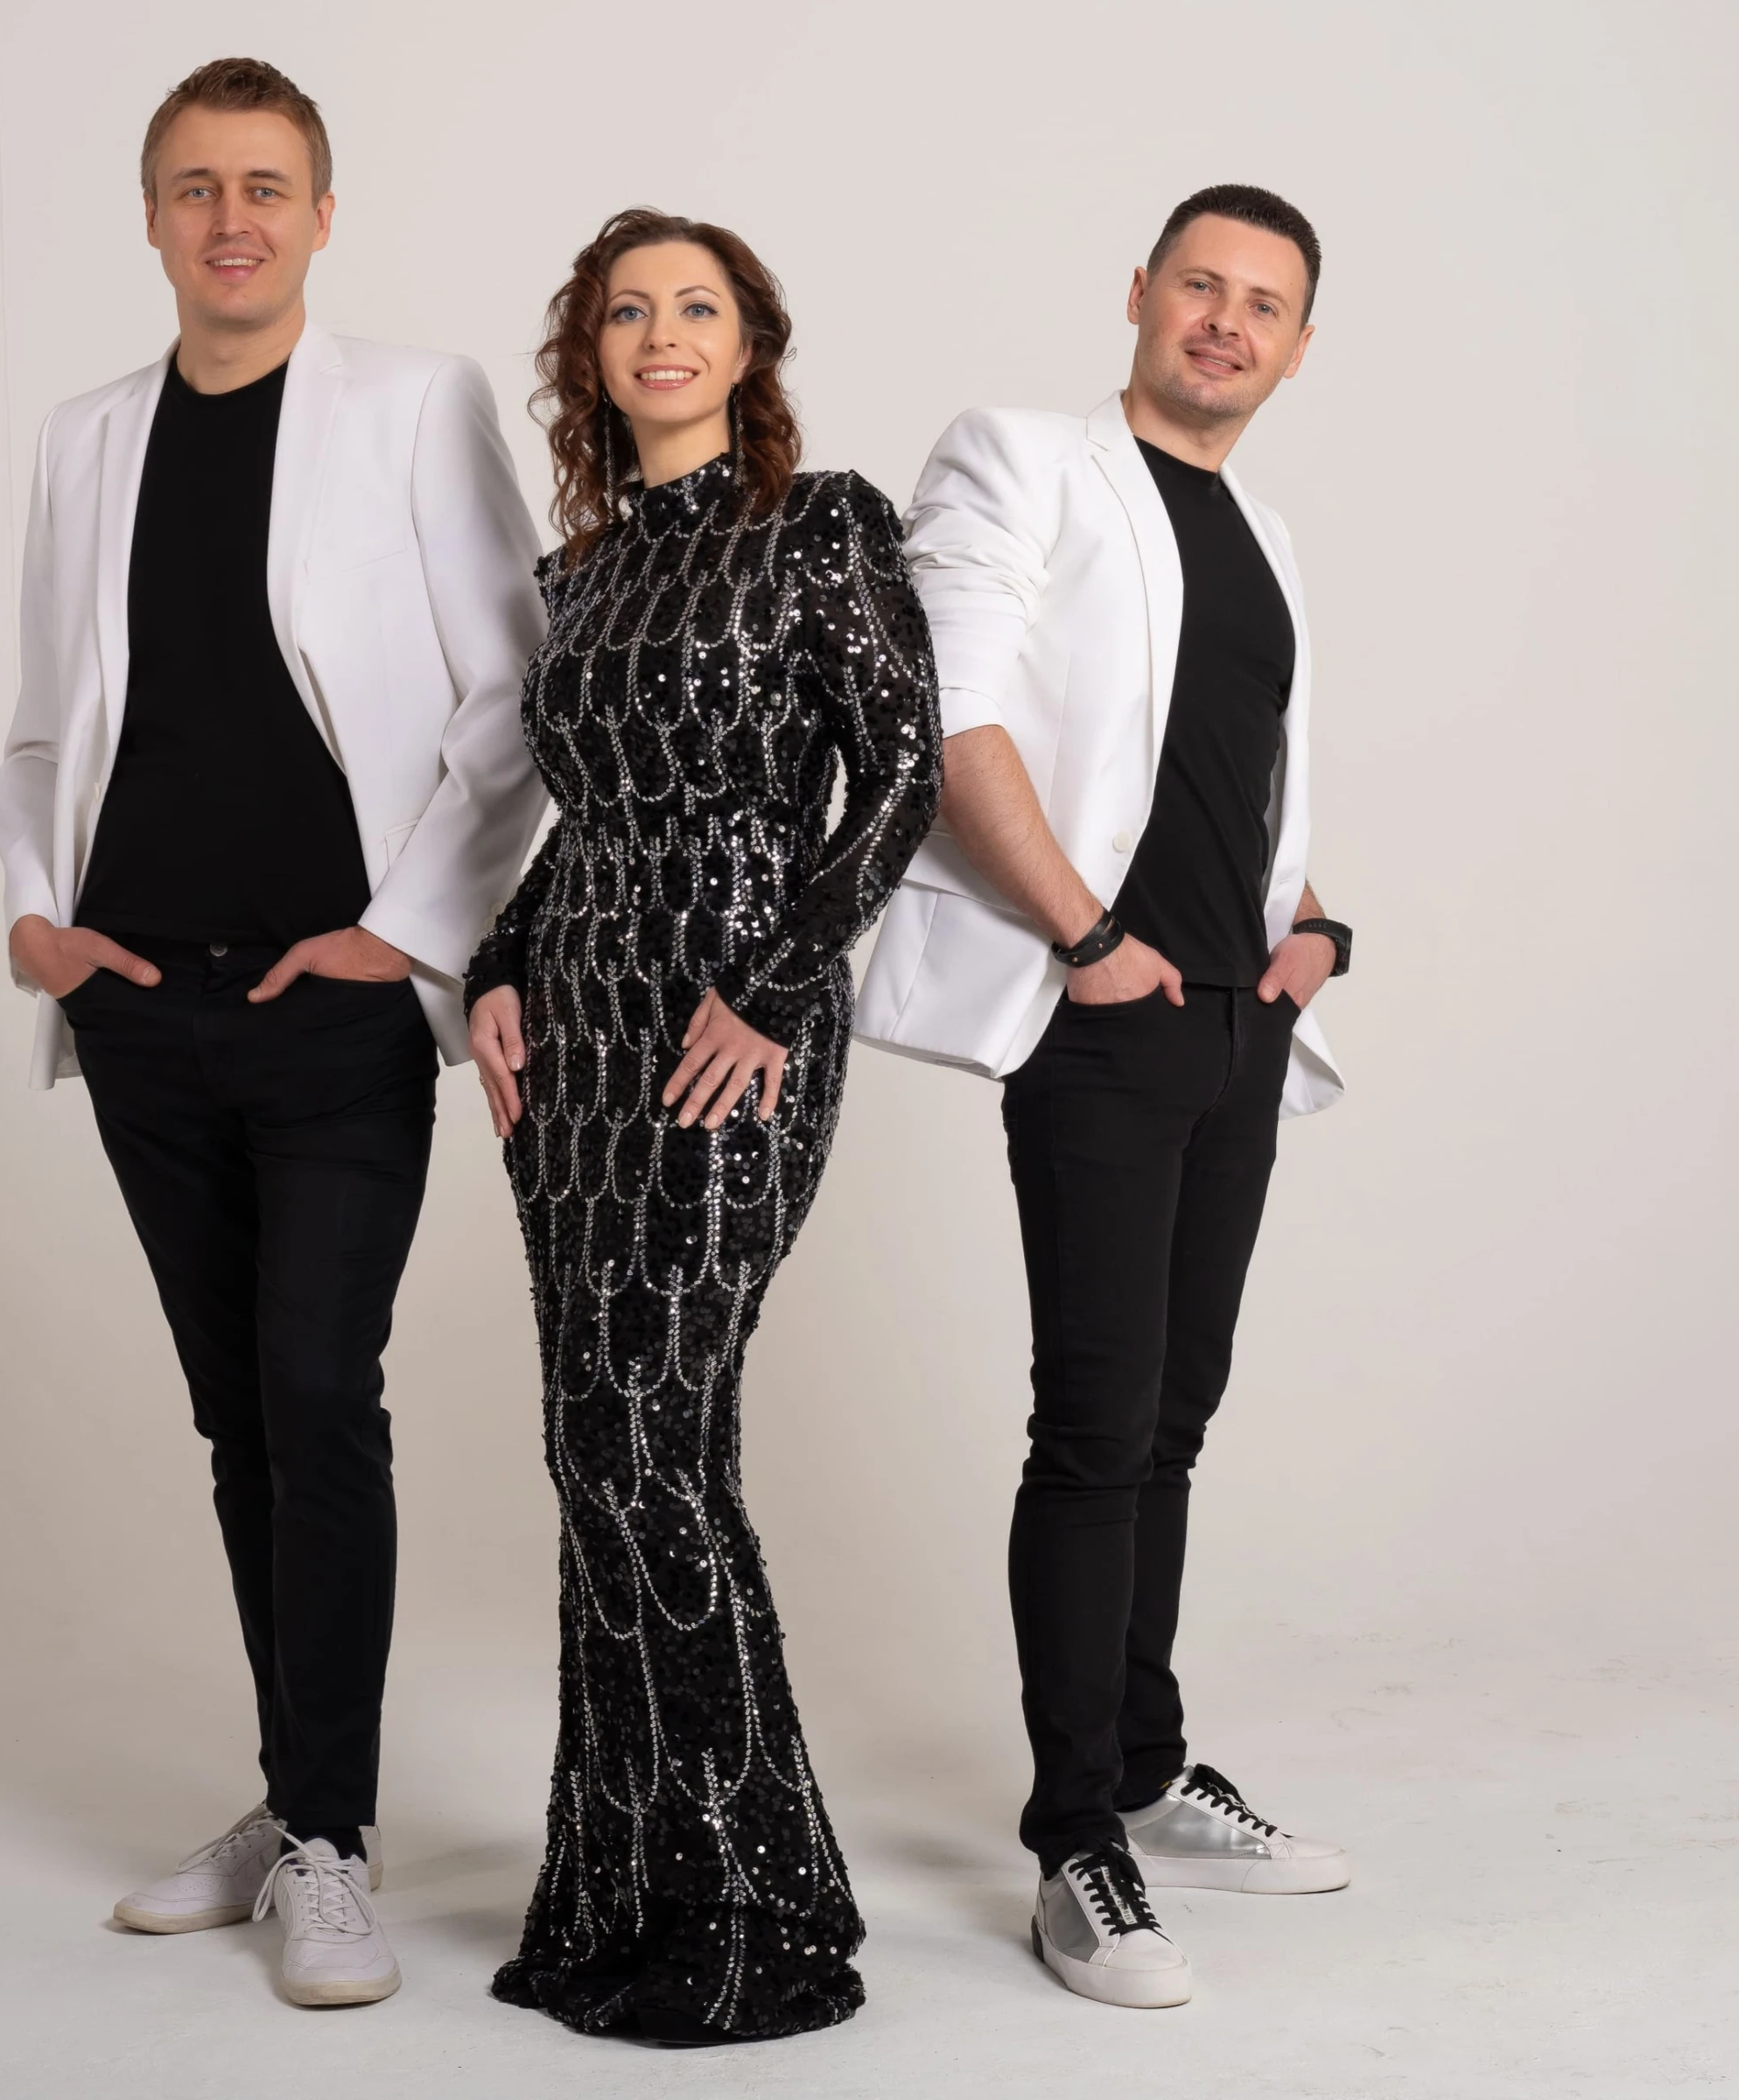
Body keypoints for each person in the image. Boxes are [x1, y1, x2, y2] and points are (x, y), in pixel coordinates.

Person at [0, 57, 545, 2007]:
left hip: (333, 1008)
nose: (231, 218)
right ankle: (298, 1793)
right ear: (152, 217)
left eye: (266, 185)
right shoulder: (83, 438)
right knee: (239, 1414)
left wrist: (400, 937)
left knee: (318, 1393)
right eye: (195, 186)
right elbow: (49, 721)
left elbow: (514, 695)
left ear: (321, 214)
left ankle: (330, 1840)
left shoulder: (414, 405)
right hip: (142, 1004)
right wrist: (38, 923)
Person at [856, 185, 1354, 2009]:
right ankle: (1077, 1841)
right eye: (1200, 286)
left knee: (1175, 1420)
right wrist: (1085, 933)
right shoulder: (1021, 462)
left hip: (1236, 1021)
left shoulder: (1264, 533)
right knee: (1095, 1424)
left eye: (1264, 304)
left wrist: (1311, 926)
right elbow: (952, 719)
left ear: (1299, 348)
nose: (1227, 321)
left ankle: (1145, 1762)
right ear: (1140, 295)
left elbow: (1230, 777)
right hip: (1101, 1013)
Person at [465, 209, 940, 2044]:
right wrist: (499, 964)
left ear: (750, 346)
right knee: (595, 1445)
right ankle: (623, 1886)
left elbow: (897, 773)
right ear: (590, 355)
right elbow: (584, 814)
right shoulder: (579, 574)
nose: (660, 334)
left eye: (696, 308)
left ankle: (760, 1903)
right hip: (576, 1037)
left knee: (652, 1442)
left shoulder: (820, 526)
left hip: (729, 1032)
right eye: (626, 313)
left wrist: (778, 985)